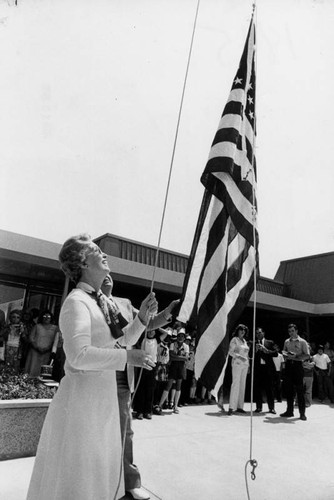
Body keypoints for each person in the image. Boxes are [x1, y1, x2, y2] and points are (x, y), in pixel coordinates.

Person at [26, 234, 157, 500]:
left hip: (103, 402)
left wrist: (142, 317)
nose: (104, 254)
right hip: (82, 405)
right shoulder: (77, 302)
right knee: (80, 477)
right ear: (83, 262)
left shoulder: (100, 302)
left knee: (99, 474)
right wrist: (127, 358)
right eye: (97, 250)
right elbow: (78, 356)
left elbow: (120, 341)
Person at [101, 274, 179, 500]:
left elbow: (148, 323)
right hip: (98, 374)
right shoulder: (88, 302)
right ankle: (99, 479)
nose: (107, 275)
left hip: (122, 376)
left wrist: (168, 312)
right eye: (102, 269)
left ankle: (130, 481)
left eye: (110, 272)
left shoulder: (124, 303)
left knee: (126, 431)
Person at [155, 328, 189, 414]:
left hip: (181, 368)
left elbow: (186, 358)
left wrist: (177, 356)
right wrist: (181, 357)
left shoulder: (186, 346)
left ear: (184, 338)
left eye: (182, 336)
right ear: (177, 337)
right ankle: (160, 405)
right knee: (168, 386)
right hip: (173, 367)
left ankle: (175, 406)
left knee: (178, 387)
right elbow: (171, 356)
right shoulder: (173, 344)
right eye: (179, 336)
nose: (180, 338)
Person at [280, 324, 310, 421]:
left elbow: (307, 355)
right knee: (289, 390)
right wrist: (286, 354)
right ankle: (289, 411)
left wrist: (296, 356)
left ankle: (302, 413)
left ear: (296, 331)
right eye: (289, 331)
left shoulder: (302, 342)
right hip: (289, 366)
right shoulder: (286, 341)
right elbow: (283, 352)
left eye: (292, 331)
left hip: (297, 366)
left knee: (300, 390)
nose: (291, 333)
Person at [24, 310, 60, 378]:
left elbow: (56, 340)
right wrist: (37, 348)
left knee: (43, 370)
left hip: (47, 352)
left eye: (48, 316)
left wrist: (48, 348)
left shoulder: (55, 328)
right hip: (35, 351)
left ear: (51, 318)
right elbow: (31, 338)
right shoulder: (37, 326)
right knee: (33, 368)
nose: (46, 318)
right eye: (44, 316)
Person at [252, 327, 278, 414]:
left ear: (263, 333)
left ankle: (271, 408)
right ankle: (258, 407)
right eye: (256, 333)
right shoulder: (253, 343)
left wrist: (266, 351)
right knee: (257, 388)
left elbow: (276, 353)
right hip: (258, 369)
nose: (258, 335)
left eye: (259, 333)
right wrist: (255, 350)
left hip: (268, 369)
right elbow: (250, 356)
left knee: (269, 388)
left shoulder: (270, 342)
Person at [227, 324, 250, 415]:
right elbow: (230, 352)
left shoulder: (244, 341)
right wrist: (239, 357)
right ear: (237, 331)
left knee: (242, 385)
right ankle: (231, 407)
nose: (243, 331)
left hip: (245, 365)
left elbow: (247, 354)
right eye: (241, 330)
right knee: (235, 384)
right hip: (237, 363)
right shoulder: (234, 340)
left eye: (244, 330)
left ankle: (240, 406)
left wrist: (248, 365)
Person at [2, 309, 28, 373]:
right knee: (5, 365)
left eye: (18, 317)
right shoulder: (7, 327)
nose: (15, 319)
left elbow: (26, 340)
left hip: (17, 349)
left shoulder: (23, 327)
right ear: (10, 318)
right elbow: (3, 337)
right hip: (7, 348)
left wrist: (22, 332)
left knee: (15, 366)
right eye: (13, 317)